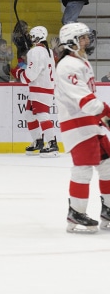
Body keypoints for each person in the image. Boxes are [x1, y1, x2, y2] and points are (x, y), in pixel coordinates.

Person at [55, 22, 110, 233]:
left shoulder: (81, 62)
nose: (88, 40)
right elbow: (86, 101)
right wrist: (106, 112)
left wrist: (103, 118)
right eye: (83, 37)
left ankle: (107, 209)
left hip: (90, 123)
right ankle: (76, 212)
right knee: (83, 168)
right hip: (77, 124)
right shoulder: (68, 65)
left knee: (107, 164)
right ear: (72, 42)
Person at [11, 26, 59, 157]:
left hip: (40, 88)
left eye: (32, 36)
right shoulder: (47, 50)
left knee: (42, 115)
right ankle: (38, 141)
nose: (30, 38)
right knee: (29, 114)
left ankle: (52, 144)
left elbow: (30, 75)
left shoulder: (36, 51)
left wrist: (19, 73)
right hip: (44, 87)